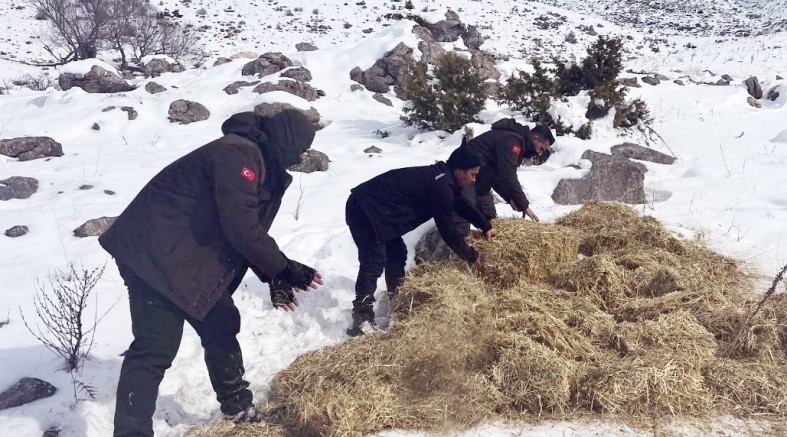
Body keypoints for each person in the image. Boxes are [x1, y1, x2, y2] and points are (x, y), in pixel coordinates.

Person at [99, 109, 324, 436]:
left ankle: (238, 407)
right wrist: (285, 269)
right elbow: (241, 227)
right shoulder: (238, 154)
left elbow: (244, 229)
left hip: (180, 254)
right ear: (287, 140)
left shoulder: (254, 156)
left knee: (221, 322)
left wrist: (273, 275)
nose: (298, 158)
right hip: (152, 255)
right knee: (155, 347)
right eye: (299, 149)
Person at [345, 145, 498, 336]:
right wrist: (471, 256)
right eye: (473, 175)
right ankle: (362, 320)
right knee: (374, 260)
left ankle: (397, 300)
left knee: (396, 254)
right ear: (459, 170)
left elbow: (461, 204)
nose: (474, 180)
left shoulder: (445, 180)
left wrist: (485, 226)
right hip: (363, 208)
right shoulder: (441, 185)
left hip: (380, 212)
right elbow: (447, 227)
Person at [462, 118, 555, 224]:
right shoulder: (512, 141)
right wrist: (524, 205)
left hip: (482, 180)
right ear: (535, 138)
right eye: (542, 148)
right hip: (464, 175)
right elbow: (508, 175)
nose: (540, 153)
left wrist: (510, 198)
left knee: (490, 220)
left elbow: (497, 175)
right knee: (461, 220)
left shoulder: (518, 142)